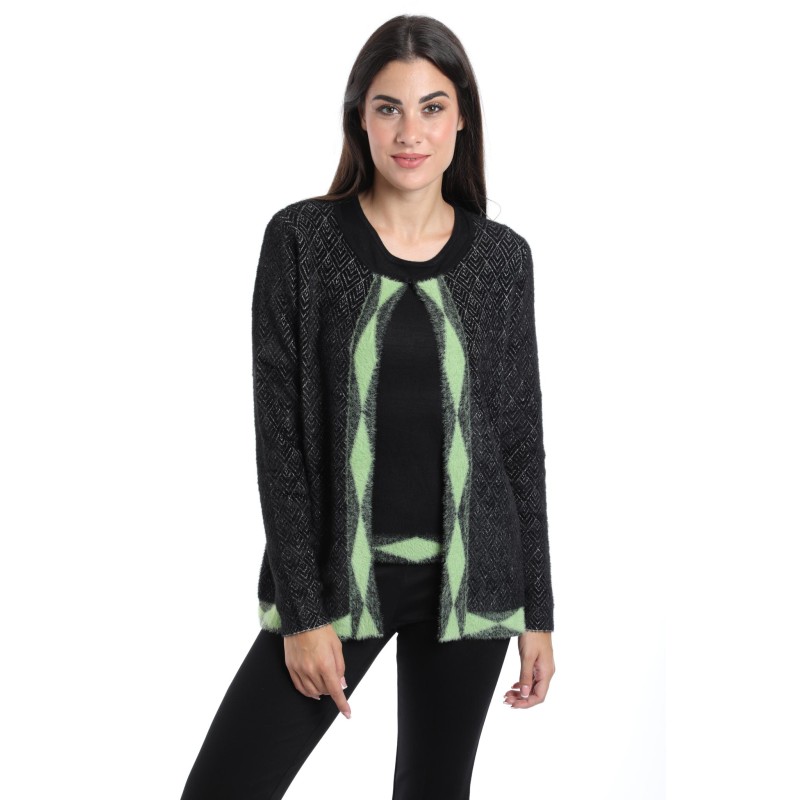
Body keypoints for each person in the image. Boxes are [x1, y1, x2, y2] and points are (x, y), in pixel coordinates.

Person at [180, 14, 556, 800]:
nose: (410, 132)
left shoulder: (503, 258)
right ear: (360, 118)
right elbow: (279, 440)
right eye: (389, 108)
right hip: (333, 583)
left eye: (432, 107)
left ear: (462, 118)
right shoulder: (302, 241)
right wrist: (301, 614)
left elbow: (520, 443)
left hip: (474, 587)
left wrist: (539, 613)